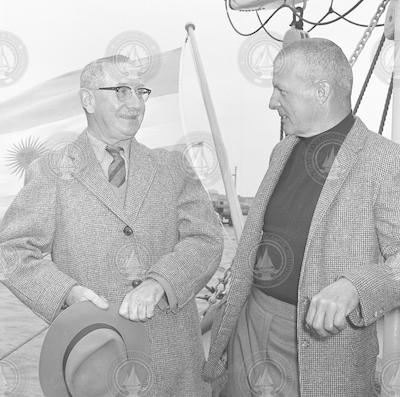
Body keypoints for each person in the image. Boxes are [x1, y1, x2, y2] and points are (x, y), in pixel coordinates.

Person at [0, 55, 223, 397]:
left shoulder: (173, 166)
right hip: (96, 362)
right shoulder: (50, 171)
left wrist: (161, 283)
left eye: (141, 91)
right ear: (88, 99)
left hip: (174, 363)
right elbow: (12, 252)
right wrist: (67, 294)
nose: (135, 103)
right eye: (121, 91)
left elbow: (205, 239)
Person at [203, 38, 400, 397]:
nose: (271, 102)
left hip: (319, 351)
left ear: (322, 91)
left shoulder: (386, 161)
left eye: (281, 90)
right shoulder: (282, 150)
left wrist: (356, 286)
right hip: (250, 322)